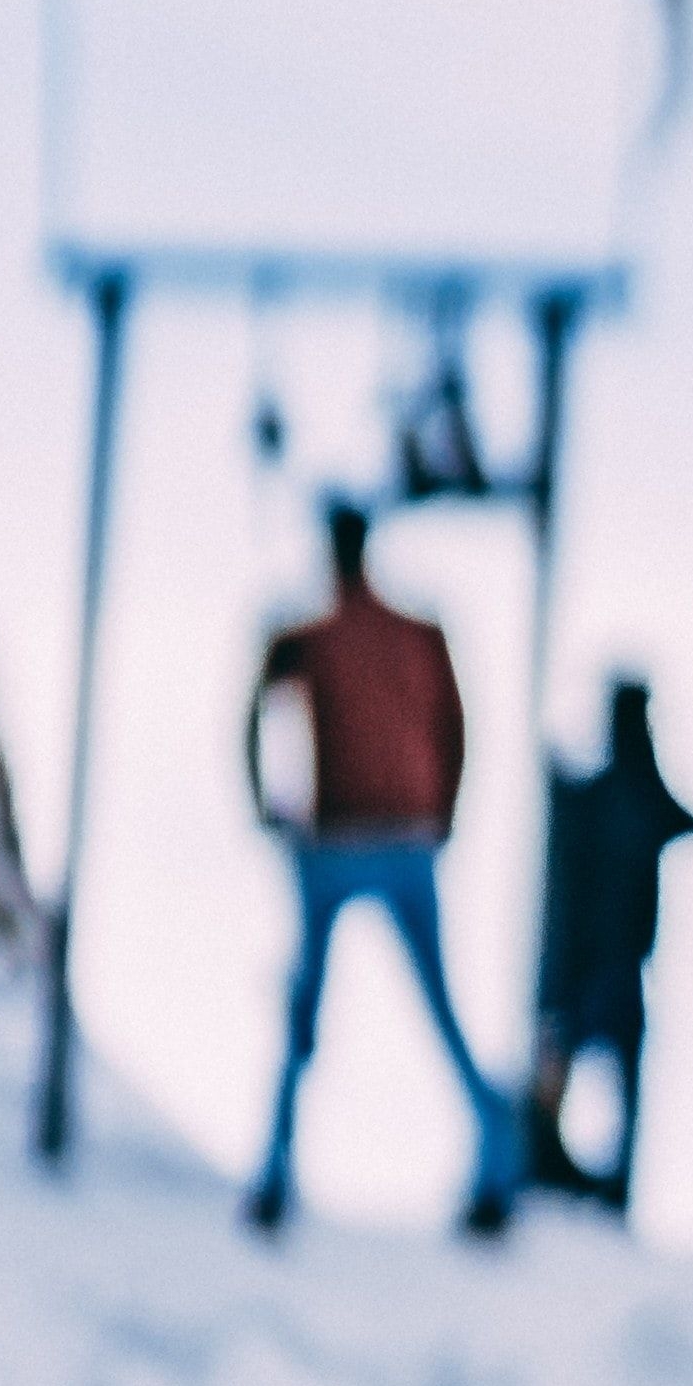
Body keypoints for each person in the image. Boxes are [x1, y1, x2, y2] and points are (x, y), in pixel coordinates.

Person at [244, 500, 519, 1240]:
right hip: (407, 838)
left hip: (337, 841)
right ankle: (497, 1155)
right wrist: (445, 815)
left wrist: (264, 804)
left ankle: (274, 1170)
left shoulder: (310, 636)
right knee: (440, 1010)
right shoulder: (416, 632)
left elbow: (251, 711)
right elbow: (459, 728)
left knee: (305, 1012)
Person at [524, 677, 693, 1213]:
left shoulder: (613, 790)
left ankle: (586, 1171)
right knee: (602, 1070)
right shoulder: (633, 790)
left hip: (595, 963)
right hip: (606, 965)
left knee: (588, 1066)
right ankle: (580, 1170)